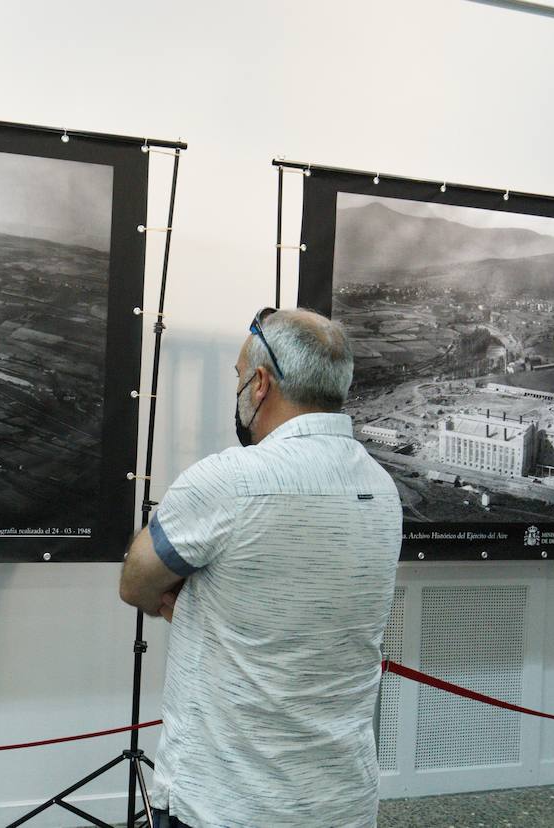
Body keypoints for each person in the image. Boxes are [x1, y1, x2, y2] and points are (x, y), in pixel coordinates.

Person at [119, 307, 403, 828]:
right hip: (343, 803)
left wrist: (183, 605)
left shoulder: (232, 480)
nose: (238, 389)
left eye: (238, 377)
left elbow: (136, 582)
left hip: (226, 804)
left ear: (261, 384)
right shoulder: (382, 489)